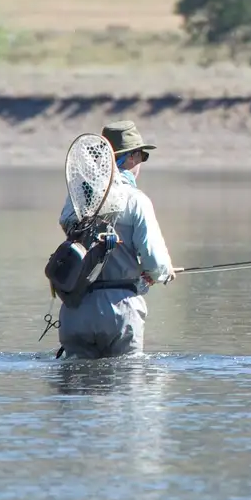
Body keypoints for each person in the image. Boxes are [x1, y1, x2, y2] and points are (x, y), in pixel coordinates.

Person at [56, 120, 175, 359]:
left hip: (75, 310)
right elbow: (155, 260)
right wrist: (162, 273)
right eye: (142, 156)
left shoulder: (77, 199)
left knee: (78, 391)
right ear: (130, 158)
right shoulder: (136, 200)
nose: (141, 163)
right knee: (126, 386)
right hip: (120, 310)